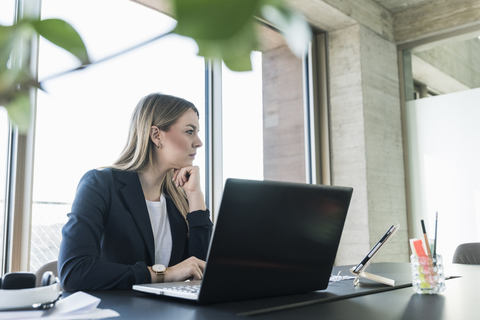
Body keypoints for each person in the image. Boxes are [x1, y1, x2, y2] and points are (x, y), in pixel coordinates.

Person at [58, 93, 213, 291]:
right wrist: (165, 274)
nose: (199, 142)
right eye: (190, 131)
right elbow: (73, 272)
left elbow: (200, 271)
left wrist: (195, 196)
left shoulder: (178, 199)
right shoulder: (100, 184)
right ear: (156, 135)